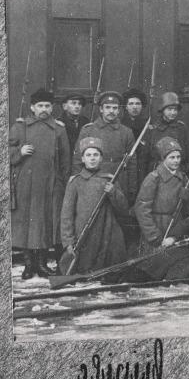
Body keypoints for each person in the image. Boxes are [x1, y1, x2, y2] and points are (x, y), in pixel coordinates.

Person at [10, 88, 71, 279]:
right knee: (27, 224)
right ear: (32, 107)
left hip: (50, 185)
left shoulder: (58, 128)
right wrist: (19, 151)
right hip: (25, 185)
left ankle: (42, 264)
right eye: (40, 106)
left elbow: (65, 159)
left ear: (52, 107)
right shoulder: (20, 127)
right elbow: (5, 149)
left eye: (47, 106)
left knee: (46, 223)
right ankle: (29, 264)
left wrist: (61, 183)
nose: (44, 109)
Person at [59, 137, 128, 275]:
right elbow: (67, 214)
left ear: (101, 158)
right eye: (88, 155)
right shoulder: (75, 181)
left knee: (111, 270)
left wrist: (113, 192)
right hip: (85, 233)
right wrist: (68, 242)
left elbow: (123, 208)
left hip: (107, 231)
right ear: (83, 159)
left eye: (96, 155)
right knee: (82, 269)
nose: (92, 158)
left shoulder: (110, 179)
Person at [73, 91, 138, 204]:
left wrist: (132, 188)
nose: (111, 111)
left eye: (115, 108)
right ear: (101, 109)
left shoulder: (126, 132)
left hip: (118, 181)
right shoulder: (88, 130)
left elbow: (132, 163)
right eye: (107, 107)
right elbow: (78, 159)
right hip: (93, 179)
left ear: (119, 110)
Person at [134, 137, 189, 254]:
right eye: (172, 157)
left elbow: (188, 211)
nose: (176, 161)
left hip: (175, 227)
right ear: (163, 159)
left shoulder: (183, 178)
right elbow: (142, 209)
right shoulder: (153, 178)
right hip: (157, 227)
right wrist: (153, 236)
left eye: (178, 157)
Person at [144, 92, 189, 173]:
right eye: (169, 109)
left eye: (175, 109)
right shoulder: (152, 130)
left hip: (179, 173)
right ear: (162, 110)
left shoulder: (182, 129)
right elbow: (145, 158)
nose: (173, 113)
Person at [121, 87, 150, 187]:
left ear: (142, 106)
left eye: (138, 104)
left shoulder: (147, 125)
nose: (134, 107)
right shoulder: (121, 125)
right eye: (131, 104)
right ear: (125, 106)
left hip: (143, 167)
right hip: (125, 166)